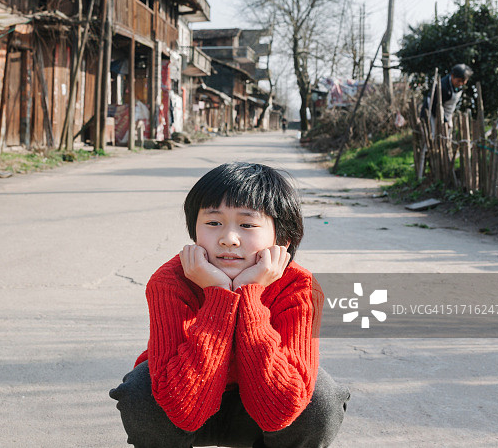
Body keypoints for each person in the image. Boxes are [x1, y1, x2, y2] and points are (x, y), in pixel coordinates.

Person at [110, 162, 350, 448]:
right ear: (194, 231)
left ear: (281, 239)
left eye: (247, 225)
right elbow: (182, 409)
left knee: (319, 398)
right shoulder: (171, 282)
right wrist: (218, 294)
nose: (228, 239)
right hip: (187, 402)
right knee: (141, 391)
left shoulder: (299, 288)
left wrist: (250, 293)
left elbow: (280, 410)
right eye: (213, 223)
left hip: (266, 410)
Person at [420, 64, 473, 131]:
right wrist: (444, 121)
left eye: (463, 81)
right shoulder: (443, 87)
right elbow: (435, 106)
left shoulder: (458, 86)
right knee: (433, 133)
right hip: (433, 112)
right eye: (459, 81)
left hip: (447, 113)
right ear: (452, 76)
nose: (460, 83)